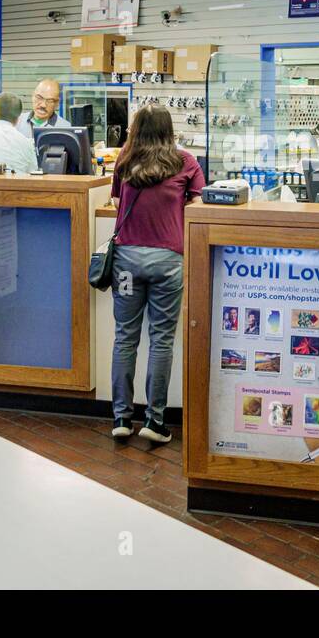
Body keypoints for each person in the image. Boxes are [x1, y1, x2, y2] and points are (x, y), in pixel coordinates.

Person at [108, 104, 204, 443]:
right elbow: (197, 207)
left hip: (126, 262)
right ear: (169, 129)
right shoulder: (186, 162)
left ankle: (121, 418)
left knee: (125, 337)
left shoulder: (124, 160)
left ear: (135, 128)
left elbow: (118, 204)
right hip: (168, 262)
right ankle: (155, 420)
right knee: (161, 340)